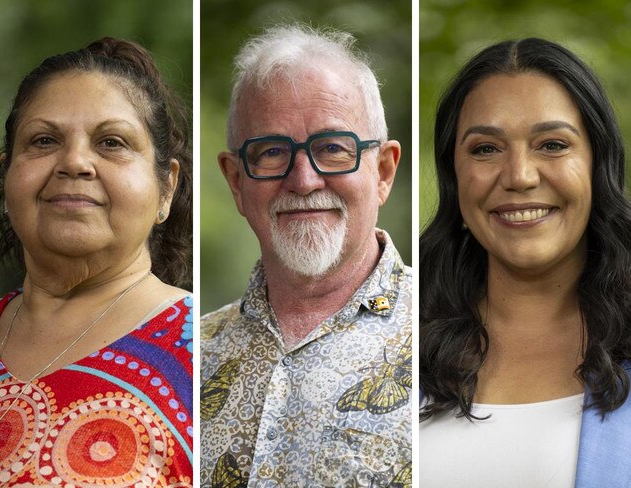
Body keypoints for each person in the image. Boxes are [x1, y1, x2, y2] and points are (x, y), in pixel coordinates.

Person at [200, 24, 411, 486]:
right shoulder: (189, 355)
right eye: (272, 151)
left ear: (384, 171)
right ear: (236, 181)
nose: (303, 180)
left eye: (333, 148)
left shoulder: (448, 332)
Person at [419, 38, 631, 487]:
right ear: (454, 177)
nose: (519, 176)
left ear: (598, 164)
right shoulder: (398, 332)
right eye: (485, 149)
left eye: (552, 144)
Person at [0, 38, 193, 487]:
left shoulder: (202, 352)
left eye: (111, 142)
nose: (74, 161)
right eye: (43, 141)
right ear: (7, 179)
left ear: (166, 188)